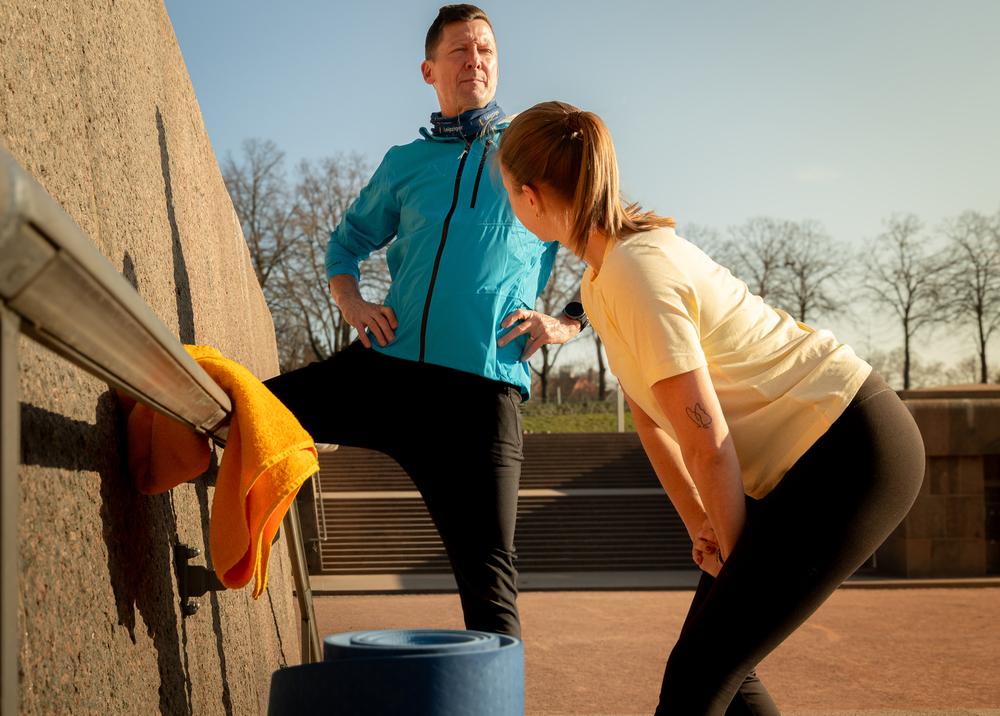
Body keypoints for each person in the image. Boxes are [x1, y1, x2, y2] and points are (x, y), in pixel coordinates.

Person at [495, 101, 925, 715]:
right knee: (721, 670)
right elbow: (652, 421)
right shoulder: (600, 280)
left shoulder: (635, 272)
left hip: (848, 449)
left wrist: (731, 546)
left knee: (699, 676)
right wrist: (701, 520)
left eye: (507, 190)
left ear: (531, 196)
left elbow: (706, 439)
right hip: (801, 459)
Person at [263, 8, 585, 639]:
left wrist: (567, 323)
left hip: (481, 397)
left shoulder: (533, 154)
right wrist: (353, 303)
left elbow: (609, 241)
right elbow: (345, 244)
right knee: (250, 411)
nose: (475, 60)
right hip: (389, 371)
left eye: (486, 49)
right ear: (429, 69)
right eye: (460, 50)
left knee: (490, 590)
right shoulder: (405, 163)